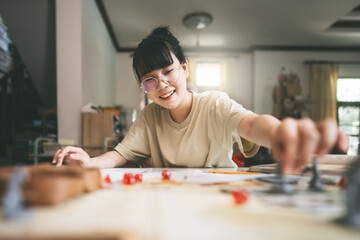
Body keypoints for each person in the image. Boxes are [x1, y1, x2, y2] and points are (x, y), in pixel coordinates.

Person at [52, 27, 348, 173]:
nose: (162, 84)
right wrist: (89, 162)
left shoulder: (215, 104)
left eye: (168, 71)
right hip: (169, 201)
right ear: (144, 86)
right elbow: (120, 154)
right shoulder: (149, 117)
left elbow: (252, 123)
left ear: (185, 68)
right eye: (150, 80)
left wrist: (280, 132)